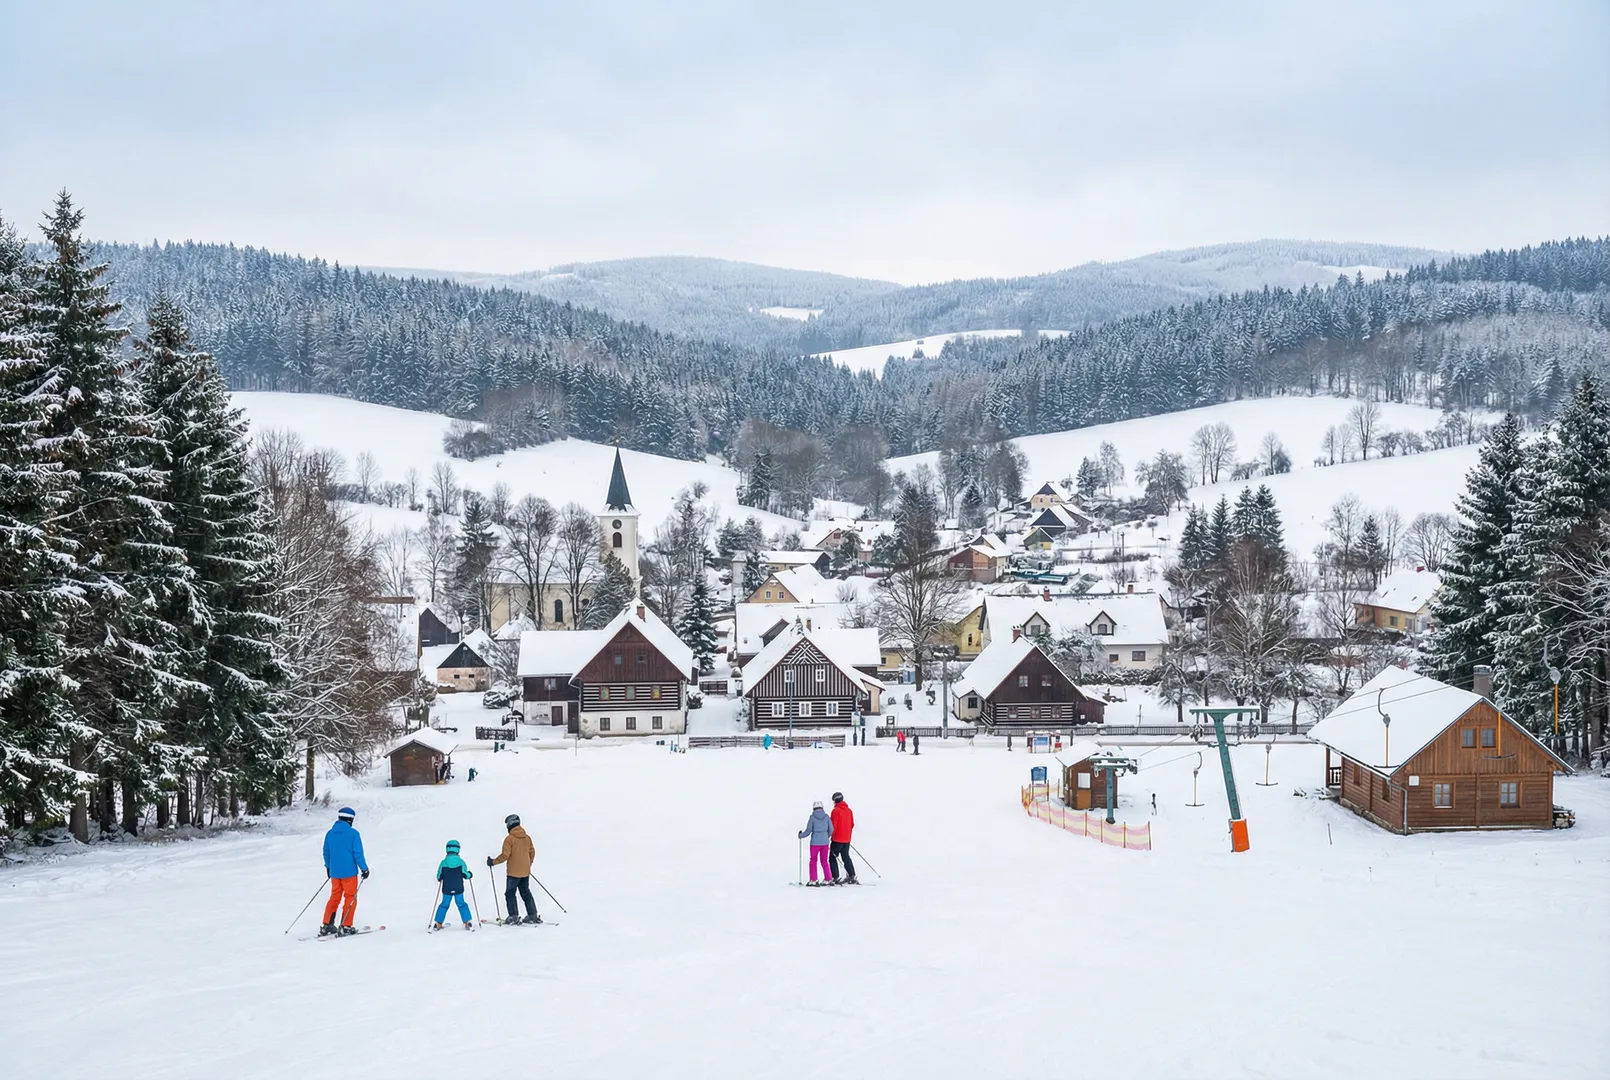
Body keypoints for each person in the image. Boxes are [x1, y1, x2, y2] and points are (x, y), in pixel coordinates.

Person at [320, 807, 369, 936]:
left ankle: (327, 924)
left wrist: (329, 867)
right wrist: (364, 869)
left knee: (335, 897)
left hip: (335, 873)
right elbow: (357, 854)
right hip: (349, 873)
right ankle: (346, 925)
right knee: (350, 897)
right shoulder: (353, 834)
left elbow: (326, 852)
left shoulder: (330, 834)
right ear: (349, 820)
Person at [488, 813, 540, 925]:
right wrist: (528, 864)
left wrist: (493, 862)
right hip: (525, 872)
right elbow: (532, 852)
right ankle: (533, 915)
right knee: (525, 892)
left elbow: (505, 855)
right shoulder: (527, 838)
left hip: (513, 873)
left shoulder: (509, 839)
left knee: (510, 894)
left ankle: (514, 916)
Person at [434, 840, 475, 930]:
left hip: (447, 888)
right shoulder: (461, 862)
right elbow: (465, 874)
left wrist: (441, 877)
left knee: (444, 904)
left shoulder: (443, 862)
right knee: (461, 903)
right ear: (458, 850)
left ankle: (438, 923)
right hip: (458, 887)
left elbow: (439, 876)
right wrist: (470, 874)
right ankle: (467, 921)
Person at [798, 800, 833, 886]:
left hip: (815, 843)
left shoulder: (812, 818)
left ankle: (813, 879)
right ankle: (828, 878)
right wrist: (826, 836)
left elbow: (808, 831)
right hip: (825, 843)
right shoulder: (826, 817)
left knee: (813, 861)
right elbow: (831, 829)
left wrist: (800, 835)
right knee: (824, 861)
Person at [828, 792, 856, 884]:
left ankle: (835, 877)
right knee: (846, 857)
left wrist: (830, 835)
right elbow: (852, 824)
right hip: (847, 839)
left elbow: (833, 826)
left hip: (837, 839)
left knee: (832, 857)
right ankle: (852, 875)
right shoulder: (849, 811)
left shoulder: (835, 811)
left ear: (835, 800)